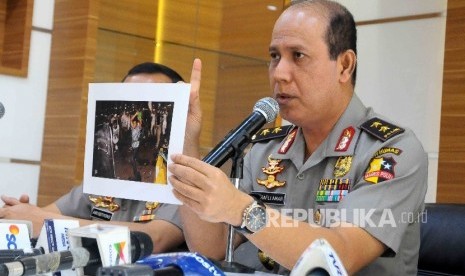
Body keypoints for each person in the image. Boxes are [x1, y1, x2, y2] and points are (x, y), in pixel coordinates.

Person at [168, 1, 427, 275]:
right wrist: (186, 139)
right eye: (274, 56)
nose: (279, 73)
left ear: (344, 66)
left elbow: (339, 256)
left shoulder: (391, 151)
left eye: (298, 56)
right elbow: (212, 247)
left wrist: (240, 209)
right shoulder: (266, 149)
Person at [0, 61, 203, 254]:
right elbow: (45, 214)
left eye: (150, 104)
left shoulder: (186, 179)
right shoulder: (107, 174)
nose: (136, 115)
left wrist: (47, 222)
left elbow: (154, 239)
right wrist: (21, 215)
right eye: (128, 102)